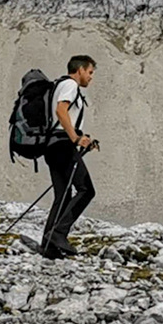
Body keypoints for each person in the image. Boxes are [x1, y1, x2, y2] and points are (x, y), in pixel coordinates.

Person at [40, 54, 97, 260]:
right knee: (86, 190)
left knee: (62, 195)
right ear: (80, 70)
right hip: (63, 145)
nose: (91, 77)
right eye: (90, 72)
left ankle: (48, 245)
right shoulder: (70, 86)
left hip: (54, 145)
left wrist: (82, 138)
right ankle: (58, 234)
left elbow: (64, 117)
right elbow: (61, 111)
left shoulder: (60, 85)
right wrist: (74, 137)